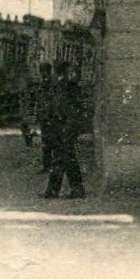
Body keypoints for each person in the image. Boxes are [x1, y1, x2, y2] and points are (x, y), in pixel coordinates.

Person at [42, 61, 86, 199]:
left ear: (57, 72)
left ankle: (59, 190)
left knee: (62, 157)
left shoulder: (61, 86)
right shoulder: (66, 86)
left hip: (65, 125)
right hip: (67, 125)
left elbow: (62, 107)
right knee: (65, 157)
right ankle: (57, 190)